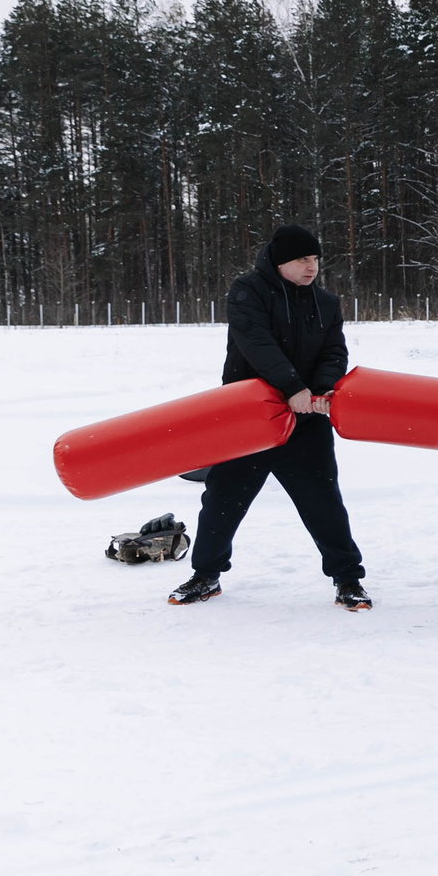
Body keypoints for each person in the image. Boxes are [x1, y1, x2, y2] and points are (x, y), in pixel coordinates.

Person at [166, 225, 369, 609]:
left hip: (305, 422)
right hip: (246, 420)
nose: (312, 267)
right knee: (222, 501)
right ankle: (205, 576)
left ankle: (348, 580)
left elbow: (334, 351)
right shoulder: (247, 291)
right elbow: (256, 343)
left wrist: (322, 389)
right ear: (279, 261)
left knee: (324, 504)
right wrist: (292, 387)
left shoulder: (326, 302)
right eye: (302, 259)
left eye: (315, 259)